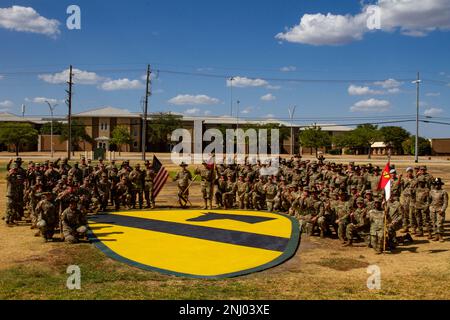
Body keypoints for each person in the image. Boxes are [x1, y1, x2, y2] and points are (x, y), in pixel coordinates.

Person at [429, 178, 448, 242]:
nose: (437, 186)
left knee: (440, 223)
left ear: (440, 185)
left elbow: (445, 202)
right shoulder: (431, 191)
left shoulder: (444, 192)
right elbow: (429, 201)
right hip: (432, 210)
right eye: (435, 184)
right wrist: (430, 208)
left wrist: (442, 210)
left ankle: (440, 236)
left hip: (440, 210)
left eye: (438, 184)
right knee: (434, 223)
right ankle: (436, 236)